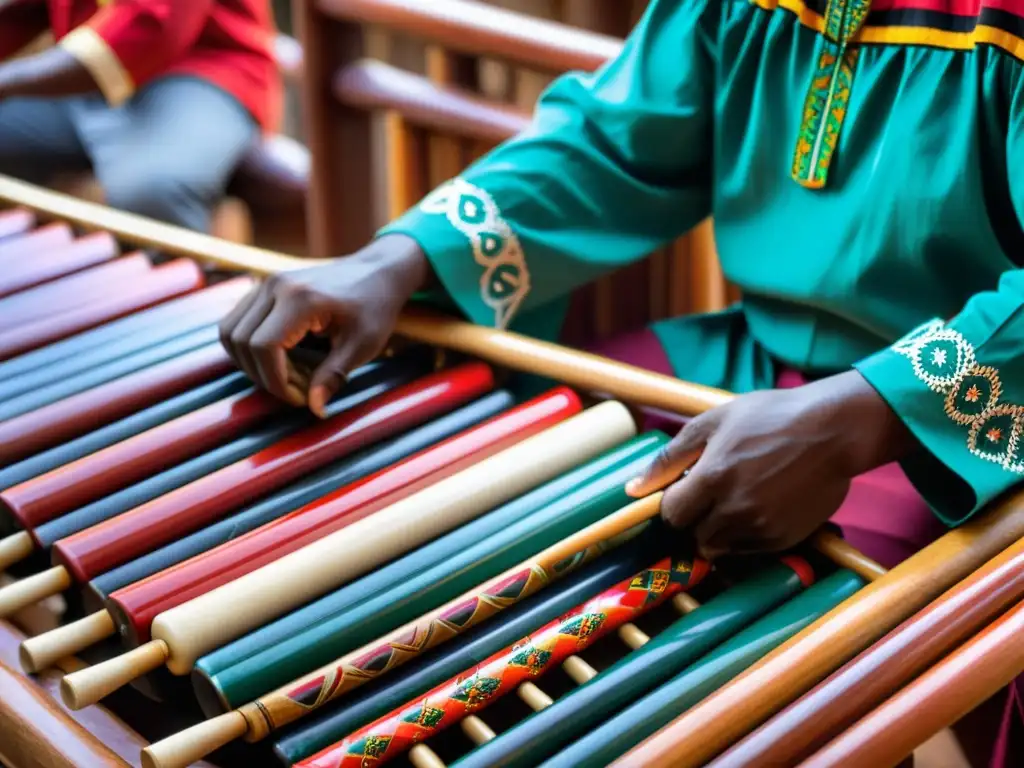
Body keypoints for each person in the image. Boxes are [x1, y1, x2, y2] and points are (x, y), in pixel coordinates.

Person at [220, 0, 1022, 761]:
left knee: (767, 689)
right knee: (486, 502)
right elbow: (613, 142)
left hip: (938, 425)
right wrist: (401, 256)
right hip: (736, 367)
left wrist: (859, 414)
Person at [0, 0, 281, 233]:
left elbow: (152, 27)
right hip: (81, 73)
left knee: (153, 189)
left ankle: (191, 294)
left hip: (198, 68)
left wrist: (7, 81)